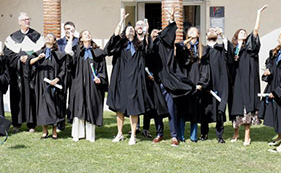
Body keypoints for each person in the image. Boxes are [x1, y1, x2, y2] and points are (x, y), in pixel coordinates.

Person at [148, 15, 197, 147]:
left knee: (171, 109)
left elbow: (171, 36)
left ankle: (174, 136)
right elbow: (148, 53)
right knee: (158, 110)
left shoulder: (167, 46)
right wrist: (150, 36)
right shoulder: (152, 46)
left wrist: (171, 21)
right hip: (157, 81)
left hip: (168, 82)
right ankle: (159, 133)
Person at [105, 8, 151, 145]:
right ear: (124, 33)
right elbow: (109, 46)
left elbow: (149, 51)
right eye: (128, 29)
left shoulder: (140, 47)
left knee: (133, 108)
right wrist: (120, 22)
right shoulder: (120, 46)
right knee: (120, 108)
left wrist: (146, 33)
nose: (130, 30)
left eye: (132, 29)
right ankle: (119, 133)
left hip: (135, 81)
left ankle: (133, 135)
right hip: (120, 80)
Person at [226, 6, 266, 145]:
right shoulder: (234, 49)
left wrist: (258, 14)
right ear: (236, 37)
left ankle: (247, 136)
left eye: (244, 32)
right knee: (237, 106)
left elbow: (255, 31)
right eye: (240, 32)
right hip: (236, 80)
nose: (243, 33)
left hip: (249, 80)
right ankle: (236, 133)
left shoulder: (250, 48)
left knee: (248, 106)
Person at [4, 12, 45, 131]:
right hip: (17, 74)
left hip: (31, 74)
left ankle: (31, 124)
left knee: (31, 97)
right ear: (19, 22)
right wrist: (19, 58)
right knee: (17, 97)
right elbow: (8, 53)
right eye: (25, 19)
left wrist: (29, 58)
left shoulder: (36, 36)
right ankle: (16, 123)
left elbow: (40, 51)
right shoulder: (12, 38)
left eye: (28, 19)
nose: (27, 21)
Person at [67, 30, 108, 142]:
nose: (88, 35)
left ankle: (90, 135)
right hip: (78, 84)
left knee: (91, 106)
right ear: (80, 38)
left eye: (89, 33)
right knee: (79, 106)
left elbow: (102, 68)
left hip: (92, 85)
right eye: (85, 34)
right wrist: (70, 39)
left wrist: (100, 77)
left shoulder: (98, 52)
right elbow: (68, 55)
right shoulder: (76, 50)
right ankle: (77, 134)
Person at [175, 26, 210, 143]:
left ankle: (194, 136)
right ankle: (181, 136)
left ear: (199, 34)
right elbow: (178, 47)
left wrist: (201, 83)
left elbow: (205, 69)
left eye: (194, 31)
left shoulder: (203, 49)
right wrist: (188, 41)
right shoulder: (184, 48)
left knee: (195, 111)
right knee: (182, 111)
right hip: (185, 83)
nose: (192, 32)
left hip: (197, 84)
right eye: (189, 31)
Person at [31, 33, 67, 139]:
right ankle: (45, 131)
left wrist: (57, 79)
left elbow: (63, 69)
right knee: (43, 107)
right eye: (46, 37)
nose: (48, 38)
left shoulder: (60, 54)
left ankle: (55, 131)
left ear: (55, 41)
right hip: (42, 84)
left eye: (50, 37)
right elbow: (30, 62)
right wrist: (38, 58)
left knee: (54, 106)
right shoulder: (39, 53)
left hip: (54, 84)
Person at [202, 27, 229, 143]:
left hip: (220, 82)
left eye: (214, 31)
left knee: (220, 109)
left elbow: (229, 51)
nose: (212, 32)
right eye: (209, 31)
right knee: (205, 108)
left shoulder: (221, 48)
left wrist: (222, 36)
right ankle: (204, 133)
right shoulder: (203, 49)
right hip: (207, 82)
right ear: (206, 36)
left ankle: (220, 135)